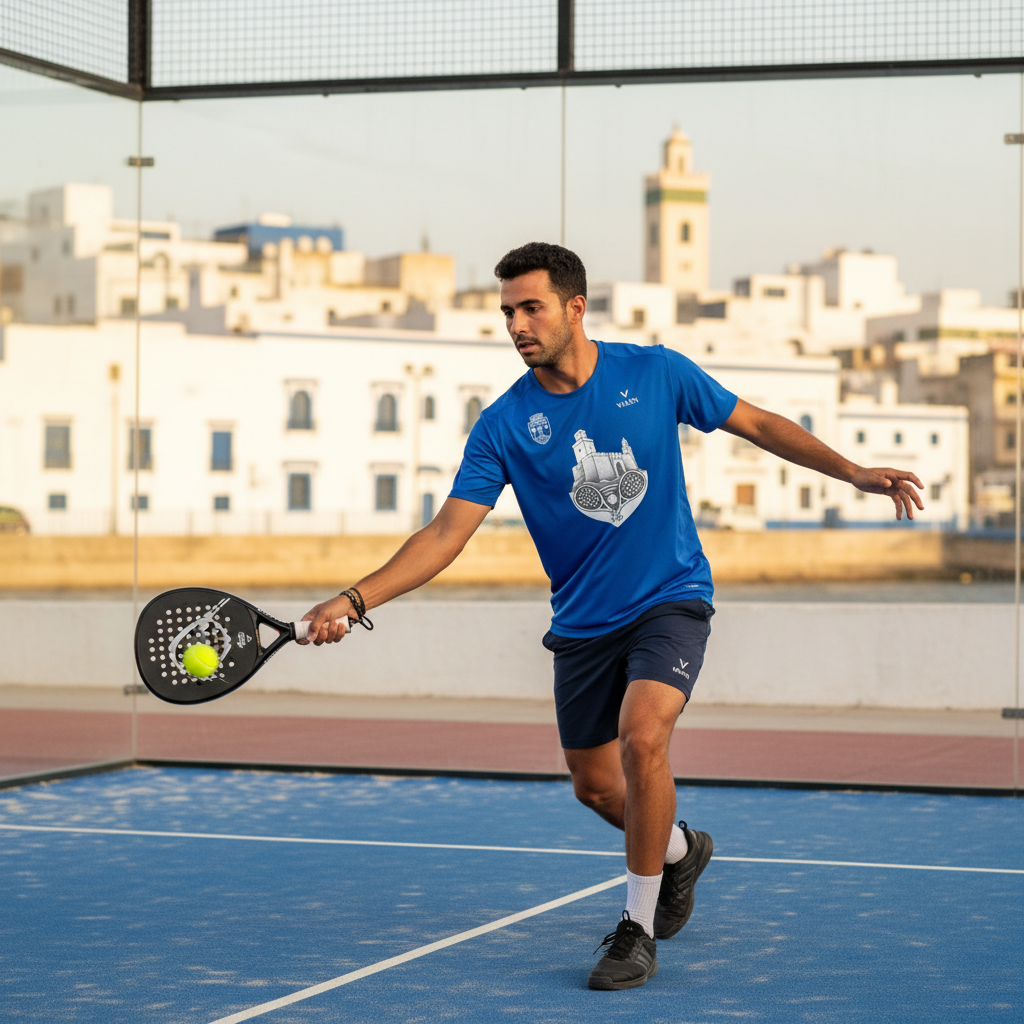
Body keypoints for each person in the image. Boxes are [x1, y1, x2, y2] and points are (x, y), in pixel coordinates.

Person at [300, 242, 923, 991]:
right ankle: (680, 851)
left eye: (531, 308)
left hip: (670, 598)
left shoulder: (656, 373)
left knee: (643, 737)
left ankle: (636, 928)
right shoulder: (503, 424)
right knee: (596, 788)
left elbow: (757, 425)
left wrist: (852, 472)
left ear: (575, 307)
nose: (517, 325)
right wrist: (354, 599)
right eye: (507, 312)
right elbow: (444, 536)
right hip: (582, 624)